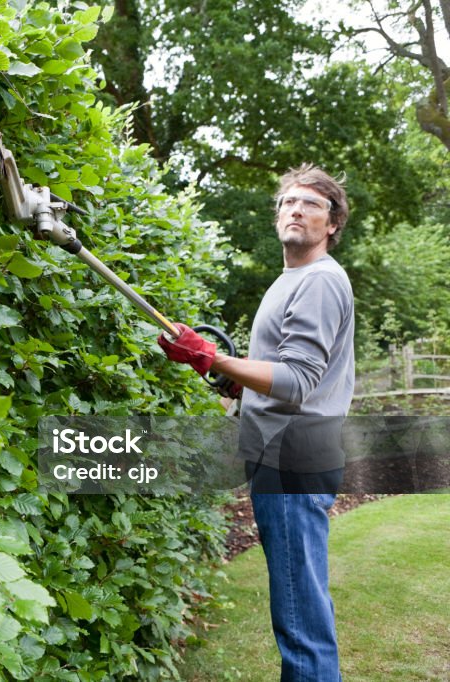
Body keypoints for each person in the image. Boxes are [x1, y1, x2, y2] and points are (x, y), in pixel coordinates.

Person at [158, 163, 354, 682]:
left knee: (299, 620)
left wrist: (211, 358)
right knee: (303, 606)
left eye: (311, 204)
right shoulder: (292, 280)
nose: (296, 209)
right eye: (289, 201)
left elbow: (296, 380)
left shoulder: (318, 281)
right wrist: (233, 381)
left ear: (332, 224)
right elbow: (277, 379)